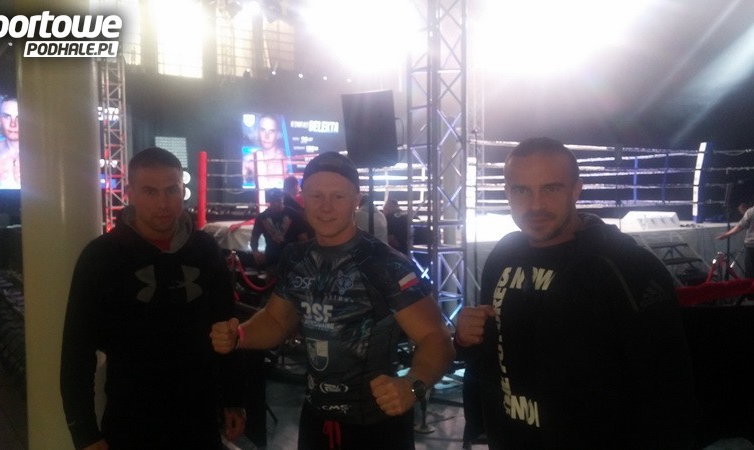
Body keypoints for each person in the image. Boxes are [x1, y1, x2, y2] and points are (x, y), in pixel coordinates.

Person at [455, 137, 698, 449]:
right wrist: (465, 341)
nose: (536, 205)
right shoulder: (504, 255)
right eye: (522, 190)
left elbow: (670, 391)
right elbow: (494, 352)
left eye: (551, 188)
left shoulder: (626, 266)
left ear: (576, 190)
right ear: (507, 193)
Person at [211, 151, 455, 449]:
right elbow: (276, 321)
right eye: (316, 195)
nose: (326, 207)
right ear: (303, 198)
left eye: (338, 196)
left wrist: (412, 385)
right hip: (316, 419)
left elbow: (437, 339)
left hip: (377, 425)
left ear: (356, 200)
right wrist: (239, 335)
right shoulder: (296, 257)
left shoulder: (385, 263)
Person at [60, 147, 247, 449]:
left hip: (199, 415)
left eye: (172, 190)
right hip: (131, 418)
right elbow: (77, 349)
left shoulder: (205, 250)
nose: (163, 203)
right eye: (150, 191)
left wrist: (234, 397)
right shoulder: (101, 257)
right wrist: (84, 433)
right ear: (131, 193)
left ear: (183, 191)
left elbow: (227, 325)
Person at [250, 187, 310, 271]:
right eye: (273, 201)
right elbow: (254, 237)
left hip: (293, 259)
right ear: (269, 201)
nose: (276, 204)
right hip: (272, 259)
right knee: (272, 277)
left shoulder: (294, 214)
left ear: (282, 200)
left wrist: (303, 256)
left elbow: (303, 238)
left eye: (278, 200)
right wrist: (255, 252)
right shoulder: (262, 217)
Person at [243, 113, 289, 190]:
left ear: (277, 134)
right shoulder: (248, 160)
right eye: (263, 130)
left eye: (271, 131)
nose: (267, 136)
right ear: (258, 132)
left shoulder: (287, 161)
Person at [717, 199, 754, 278]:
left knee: (750, 273)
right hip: (751, 245)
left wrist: (726, 235)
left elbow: (740, 227)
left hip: (751, 246)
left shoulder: (751, 211)